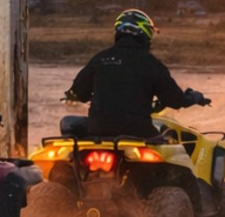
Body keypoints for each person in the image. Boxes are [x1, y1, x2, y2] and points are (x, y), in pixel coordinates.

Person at [62, 9, 209, 139]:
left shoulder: (100, 58)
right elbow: (176, 100)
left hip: (98, 131)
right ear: (145, 33)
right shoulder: (151, 64)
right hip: (138, 132)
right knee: (173, 148)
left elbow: (77, 93)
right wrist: (195, 97)